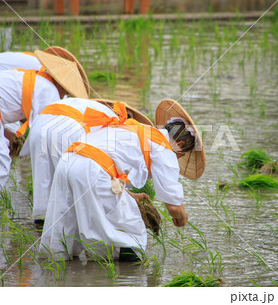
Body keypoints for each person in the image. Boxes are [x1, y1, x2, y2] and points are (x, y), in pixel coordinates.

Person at [39, 99, 205, 262]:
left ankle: (61, 267)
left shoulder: (137, 129)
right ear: (180, 144)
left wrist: (128, 194)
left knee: (67, 220)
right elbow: (173, 205)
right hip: (91, 168)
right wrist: (181, 217)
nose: (178, 158)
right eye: (181, 155)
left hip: (68, 160)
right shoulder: (164, 148)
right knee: (130, 225)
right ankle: (126, 272)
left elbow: (110, 163)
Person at [0, 47, 89, 207]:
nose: (65, 96)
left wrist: (14, 138)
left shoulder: (35, 77)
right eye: (67, 91)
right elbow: (45, 134)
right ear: (62, 85)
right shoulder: (49, 90)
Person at [28, 98, 153, 222]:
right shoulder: (112, 124)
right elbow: (105, 173)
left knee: (44, 186)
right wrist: (129, 199)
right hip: (70, 131)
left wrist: (129, 195)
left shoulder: (84, 105)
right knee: (72, 195)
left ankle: (40, 226)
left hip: (39, 126)